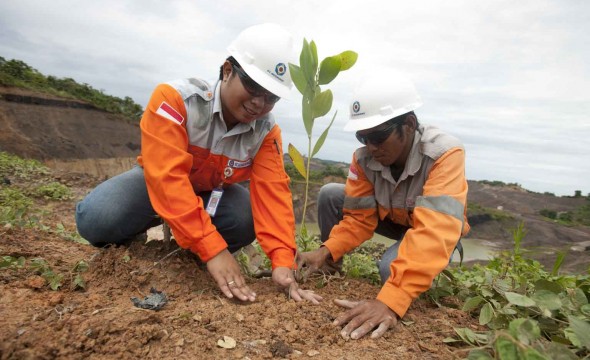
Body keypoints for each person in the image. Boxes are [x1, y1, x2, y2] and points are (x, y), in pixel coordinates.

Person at [76, 23, 321, 304]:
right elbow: (167, 180)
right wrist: (214, 250)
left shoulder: (266, 131)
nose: (259, 103)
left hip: (209, 195)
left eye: (271, 97)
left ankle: (188, 251)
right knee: (99, 217)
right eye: (253, 87)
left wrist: (281, 259)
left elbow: (273, 192)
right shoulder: (176, 100)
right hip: (154, 185)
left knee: (244, 215)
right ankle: (145, 238)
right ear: (228, 71)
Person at [297, 70, 470, 339]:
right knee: (332, 193)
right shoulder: (365, 159)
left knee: (390, 269)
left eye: (378, 136)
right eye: (362, 137)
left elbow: (435, 231)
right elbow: (357, 219)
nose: (371, 146)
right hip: (393, 218)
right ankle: (329, 267)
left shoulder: (444, 154)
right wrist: (325, 251)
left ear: (409, 124)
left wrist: (390, 301)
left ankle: (417, 278)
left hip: (434, 229)